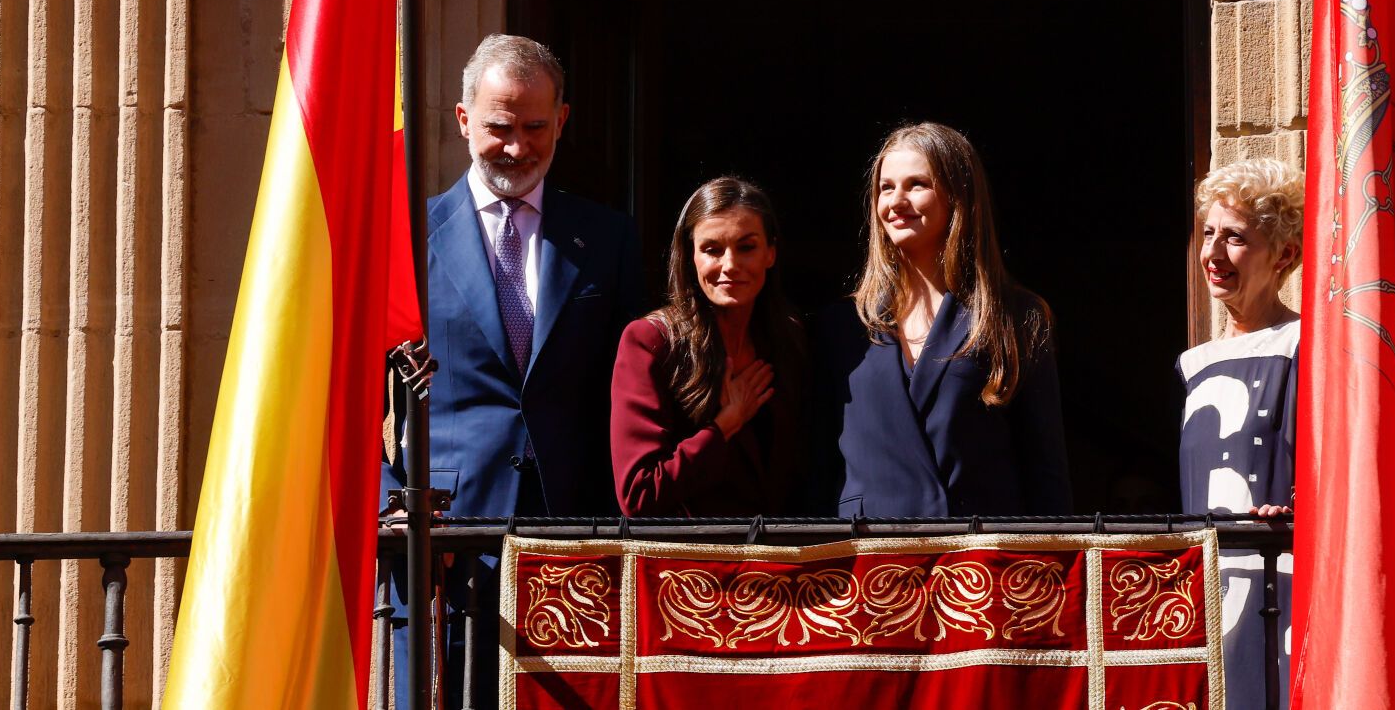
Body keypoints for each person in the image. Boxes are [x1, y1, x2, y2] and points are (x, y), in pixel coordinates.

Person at [386, 34, 642, 706]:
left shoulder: (608, 239)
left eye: (535, 126)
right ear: (464, 118)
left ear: (561, 120)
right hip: (444, 545)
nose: (517, 145)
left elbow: (636, 386)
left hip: (573, 540)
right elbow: (353, 385)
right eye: (500, 125)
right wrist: (391, 502)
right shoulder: (408, 235)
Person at [814, 121, 1071, 518]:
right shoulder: (842, 325)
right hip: (868, 562)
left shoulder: (1015, 316)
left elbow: (1044, 470)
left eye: (917, 184)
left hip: (980, 561)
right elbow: (817, 467)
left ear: (959, 197)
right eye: (886, 187)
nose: (896, 201)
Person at [1177, 156, 1301, 710]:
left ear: (1284, 256)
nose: (1213, 253)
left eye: (1234, 238)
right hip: (1212, 584)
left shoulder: (1307, 345)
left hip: (1289, 581)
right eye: (1208, 234)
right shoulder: (1192, 363)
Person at [610, 177, 805, 516]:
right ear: (690, 258)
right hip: (686, 564)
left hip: (777, 562)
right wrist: (724, 427)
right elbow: (638, 494)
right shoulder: (651, 341)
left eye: (747, 247)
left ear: (770, 252)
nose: (730, 265)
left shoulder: (788, 338)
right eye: (712, 249)